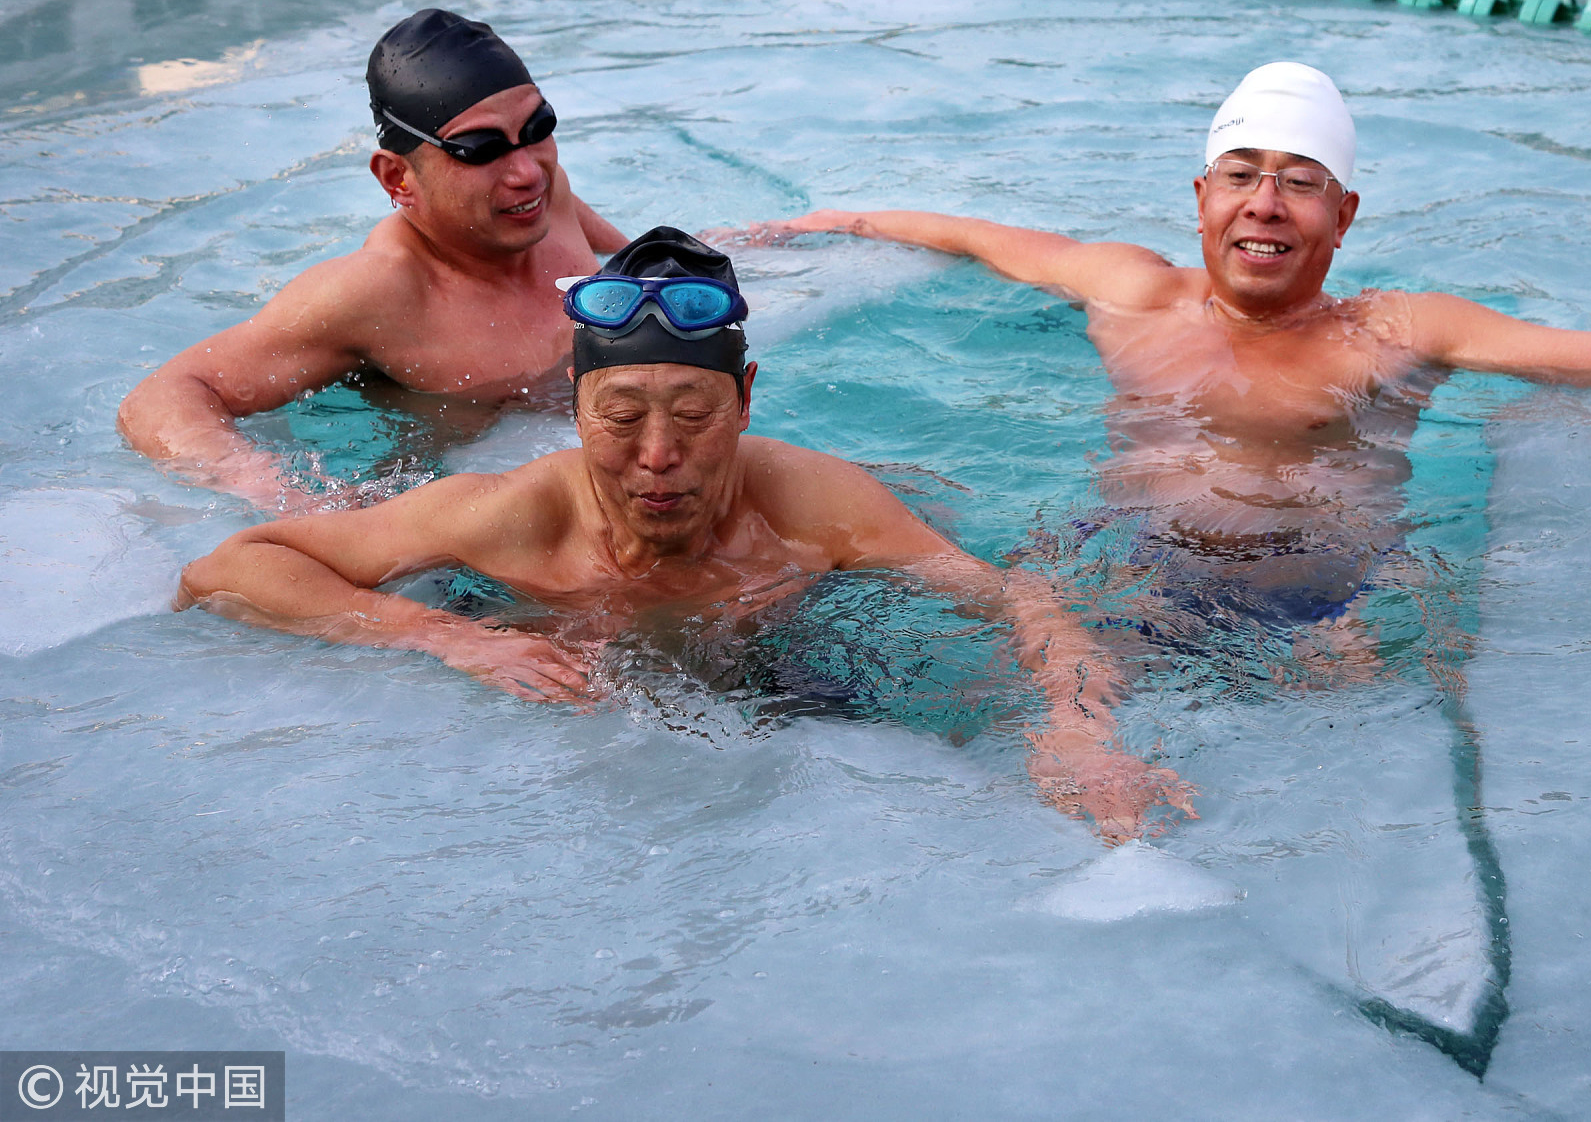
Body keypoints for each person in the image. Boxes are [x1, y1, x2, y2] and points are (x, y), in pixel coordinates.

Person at [728, 62, 1591, 665]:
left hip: (1323, 611)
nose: (1264, 201)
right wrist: (826, 223)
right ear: (1200, 198)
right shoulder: (1128, 290)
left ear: (1342, 214)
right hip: (1117, 573)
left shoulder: (1400, 331)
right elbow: (970, 237)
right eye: (1241, 172)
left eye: (1297, 179)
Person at [175, 228, 1193, 843]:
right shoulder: (507, 515)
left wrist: (1077, 729)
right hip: (562, 661)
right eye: (620, 419)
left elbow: (1016, 591)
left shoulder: (816, 504)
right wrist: (451, 637)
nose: (657, 454)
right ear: (575, 411)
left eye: (693, 417)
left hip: (779, 653)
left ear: (746, 401)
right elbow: (229, 568)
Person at [119, 9, 628, 512]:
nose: (526, 172)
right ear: (397, 179)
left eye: (539, 127)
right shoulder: (376, 293)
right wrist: (278, 490)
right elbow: (159, 398)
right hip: (466, 498)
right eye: (480, 150)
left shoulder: (541, 195)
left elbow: (625, 257)